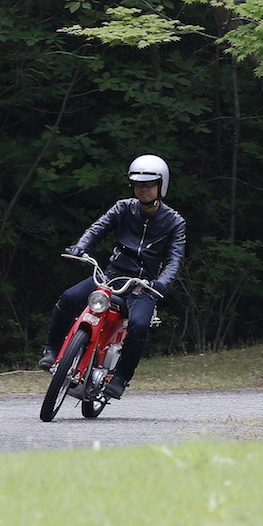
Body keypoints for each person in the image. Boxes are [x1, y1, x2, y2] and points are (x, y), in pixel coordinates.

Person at [37, 155, 186, 398]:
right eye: (138, 184)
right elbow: (97, 228)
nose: (143, 189)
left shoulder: (174, 221)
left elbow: (175, 259)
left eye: (149, 184)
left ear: (162, 185)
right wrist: (81, 246)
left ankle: (121, 377)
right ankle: (52, 351)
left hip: (143, 285)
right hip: (111, 275)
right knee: (68, 298)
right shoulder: (122, 208)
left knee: (139, 325)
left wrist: (160, 283)